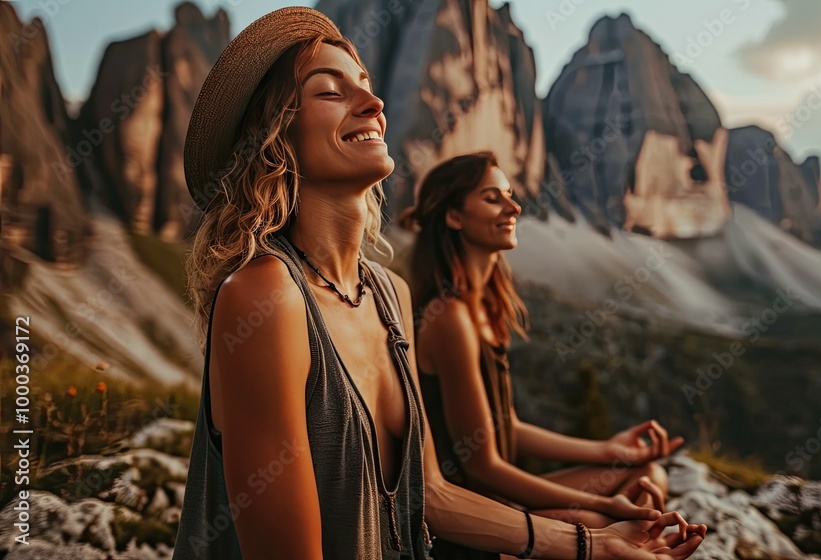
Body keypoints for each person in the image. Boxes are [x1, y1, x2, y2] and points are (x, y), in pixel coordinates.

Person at [173, 7, 706, 560]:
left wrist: (594, 544)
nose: (374, 105)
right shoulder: (264, 296)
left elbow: (432, 495)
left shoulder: (389, 294)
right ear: (274, 138)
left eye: (367, 86)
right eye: (331, 93)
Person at [397, 152, 688, 557]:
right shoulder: (449, 317)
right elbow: (483, 466)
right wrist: (602, 504)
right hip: (478, 525)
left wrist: (609, 451)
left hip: (504, 501)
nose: (514, 207)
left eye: (510, 195)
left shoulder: (482, 307)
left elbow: (505, 427)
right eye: (492, 198)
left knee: (646, 473)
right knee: (618, 524)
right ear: (454, 217)